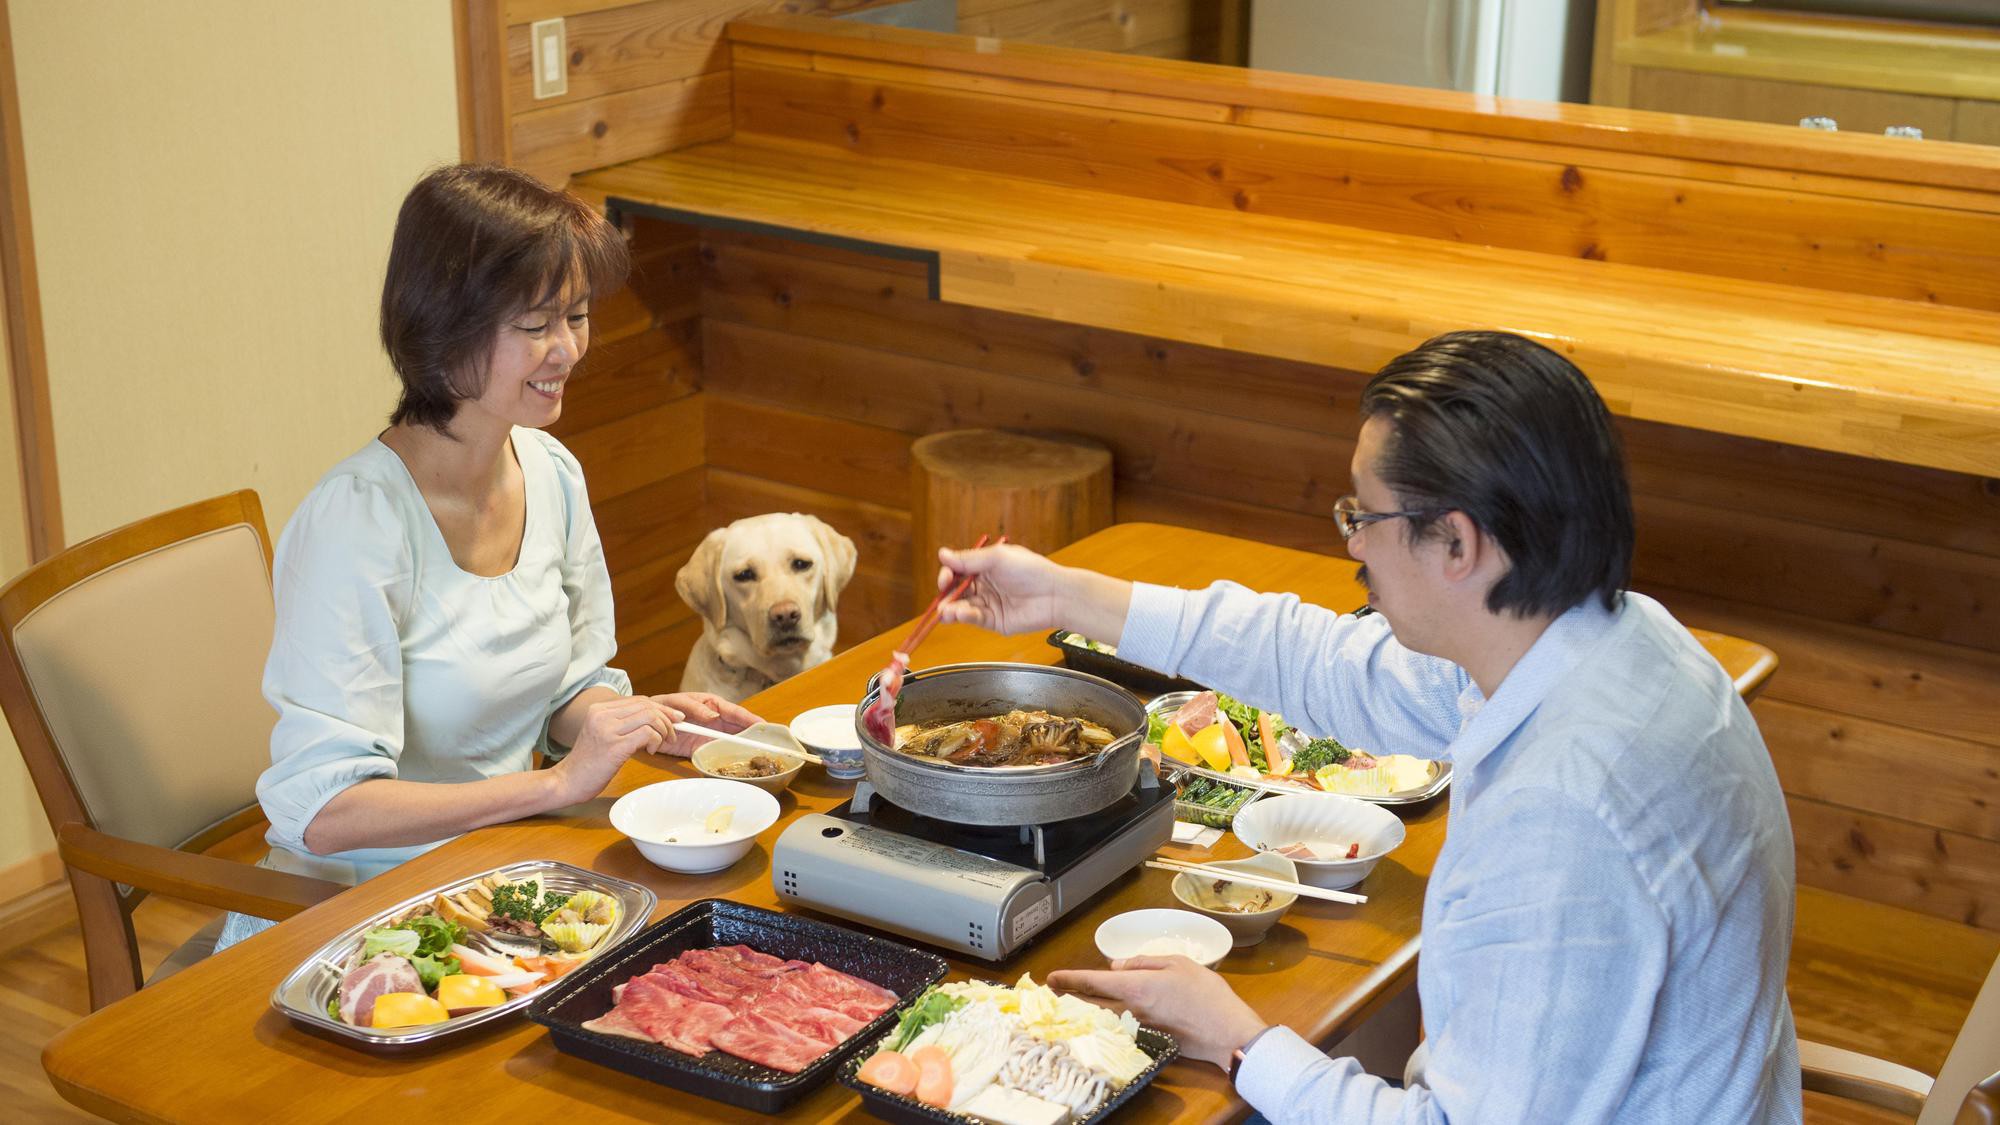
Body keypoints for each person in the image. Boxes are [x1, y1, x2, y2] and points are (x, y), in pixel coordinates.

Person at [936, 331, 1801, 1123]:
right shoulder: (1616, 638)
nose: (1354, 546)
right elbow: (1326, 662)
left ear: (1457, 544)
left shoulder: (1566, 816)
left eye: (1365, 517)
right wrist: (1067, 595)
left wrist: (1241, 1039)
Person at [224, 166, 754, 947]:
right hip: (358, 917)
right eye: (536, 324)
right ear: (446, 327)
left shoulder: (550, 472)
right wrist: (554, 783)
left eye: (576, 316)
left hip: (504, 873)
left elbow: (565, 694)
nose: (568, 349)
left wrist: (645, 724)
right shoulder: (357, 524)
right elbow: (326, 809)